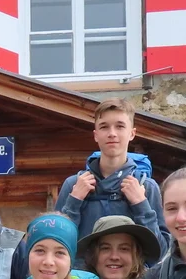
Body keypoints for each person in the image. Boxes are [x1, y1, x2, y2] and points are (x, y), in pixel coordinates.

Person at [55, 98, 167, 253]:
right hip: (82, 277)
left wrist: (141, 204)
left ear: (132, 133)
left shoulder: (147, 187)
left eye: (120, 126)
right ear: (96, 135)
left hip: (133, 277)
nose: (112, 134)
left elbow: (159, 252)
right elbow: (56, 245)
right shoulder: (73, 185)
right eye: (104, 127)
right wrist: (74, 201)